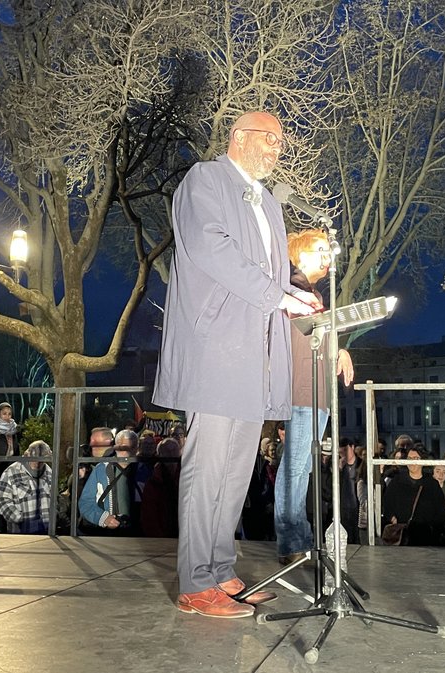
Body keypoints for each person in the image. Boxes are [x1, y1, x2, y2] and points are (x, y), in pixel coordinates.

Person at [152, 110, 318, 618]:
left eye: (279, 143)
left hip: (257, 356)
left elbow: (267, 272)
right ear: (238, 137)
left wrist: (295, 295)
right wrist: (278, 296)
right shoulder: (204, 179)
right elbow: (212, 249)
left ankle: (221, 570)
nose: (276, 149)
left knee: (238, 466)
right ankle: (194, 582)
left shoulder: (268, 202)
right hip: (216, 350)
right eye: (268, 139)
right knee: (207, 467)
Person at [274, 228, 355, 564]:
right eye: (320, 249)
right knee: (294, 466)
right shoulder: (289, 287)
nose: (327, 257)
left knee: (304, 467)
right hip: (301, 388)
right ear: (301, 254)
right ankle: (292, 541)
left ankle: (301, 536)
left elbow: (319, 335)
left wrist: (340, 350)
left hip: (318, 391)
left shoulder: (312, 294)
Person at [0, 440, 54, 534]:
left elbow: (54, 497)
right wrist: (19, 518)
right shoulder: (11, 472)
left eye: (42, 461)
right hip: (21, 533)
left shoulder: (49, 472)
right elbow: (2, 499)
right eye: (36, 460)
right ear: (27, 455)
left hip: (47, 533)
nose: (39, 463)